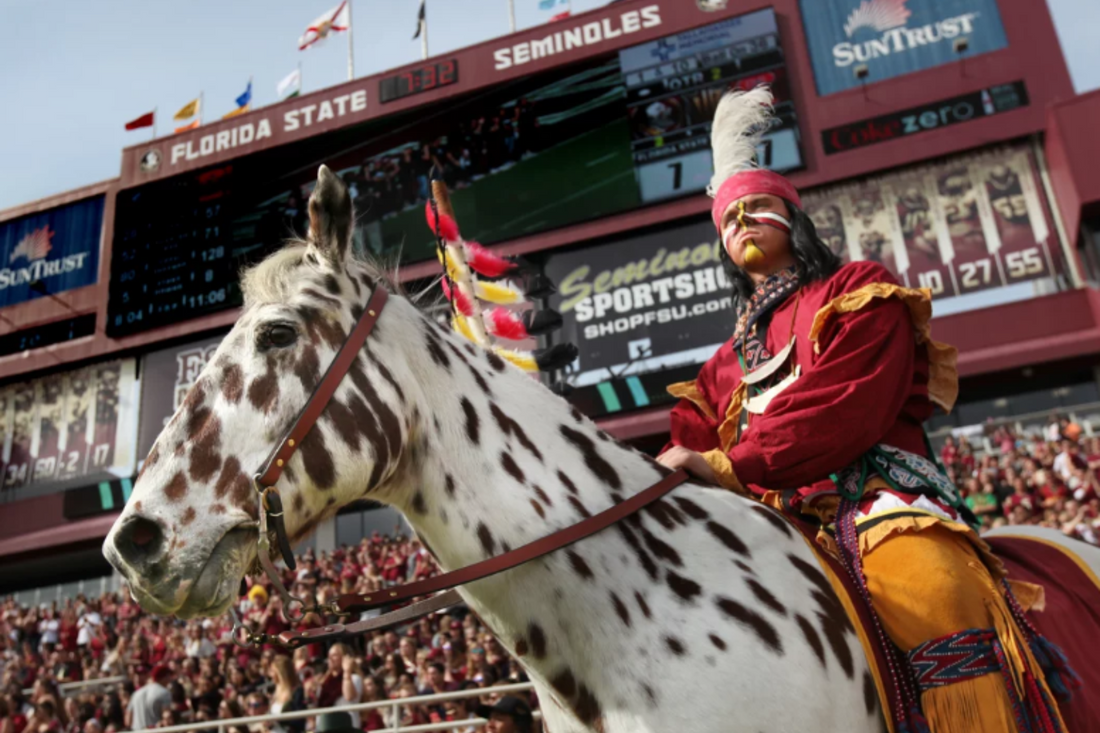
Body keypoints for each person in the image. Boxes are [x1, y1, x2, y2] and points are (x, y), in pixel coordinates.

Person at [657, 85, 1073, 732]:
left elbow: (848, 408)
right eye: (730, 219)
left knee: (929, 585)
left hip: (876, 498)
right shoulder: (716, 368)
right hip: (770, 522)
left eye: (758, 209)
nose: (741, 223)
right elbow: (686, 456)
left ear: (793, 219)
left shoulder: (856, 289)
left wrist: (731, 463)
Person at [125, 666, 173, 731]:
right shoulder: (164, 692)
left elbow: (128, 720)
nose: (170, 679)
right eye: (169, 676)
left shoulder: (136, 694)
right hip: (155, 731)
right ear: (165, 677)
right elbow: (167, 716)